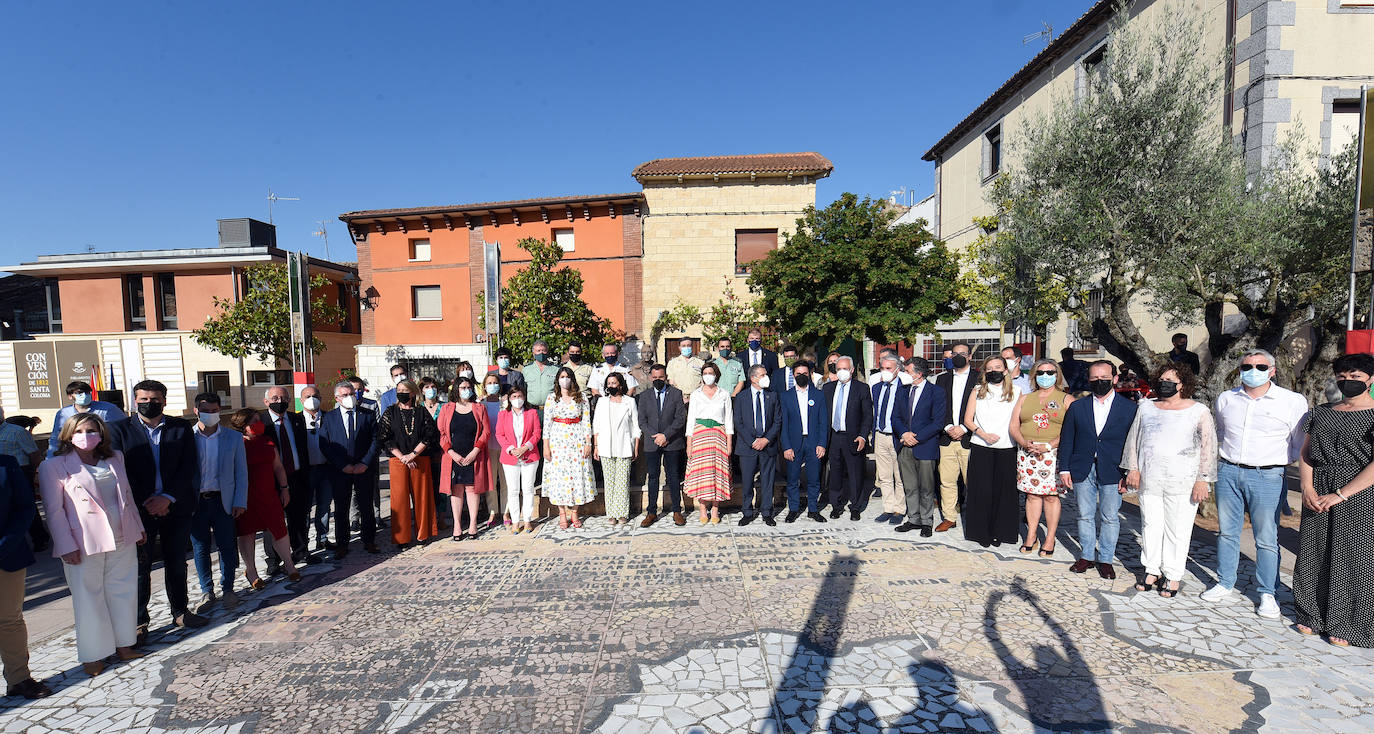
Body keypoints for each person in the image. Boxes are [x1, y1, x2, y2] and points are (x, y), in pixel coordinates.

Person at [1203, 349, 1309, 619]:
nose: (1253, 370)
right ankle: (1225, 582)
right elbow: (1223, 432)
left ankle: (1267, 593)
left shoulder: (1292, 401)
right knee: (1227, 532)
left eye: (1261, 366)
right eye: (1247, 366)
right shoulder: (1227, 398)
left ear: (1272, 370)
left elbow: (1298, 441)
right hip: (1229, 471)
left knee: (1266, 537)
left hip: (1268, 475)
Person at [38, 415, 145, 678]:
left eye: (92, 430)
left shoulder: (114, 458)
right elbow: (54, 511)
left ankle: (124, 644)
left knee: (123, 591)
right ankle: (93, 655)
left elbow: (127, 496)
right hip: (83, 541)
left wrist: (138, 527)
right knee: (89, 598)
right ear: (68, 435)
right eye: (80, 431)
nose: (86, 435)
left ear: (101, 434)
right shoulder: (53, 466)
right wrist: (65, 545)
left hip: (121, 534)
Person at [107, 379, 208, 637]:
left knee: (177, 562)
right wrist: (149, 501)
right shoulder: (119, 430)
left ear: (164, 400)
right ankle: (139, 622)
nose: (148, 404)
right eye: (143, 400)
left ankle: (180, 612)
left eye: (154, 400)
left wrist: (168, 498)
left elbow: (189, 466)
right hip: (138, 509)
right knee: (140, 567)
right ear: (134, 401)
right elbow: (120, 471)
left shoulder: (180, 427)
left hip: (176, 506)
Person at [1294, 352, 1374, 646]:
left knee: (1354, 557)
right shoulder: (1320, 412)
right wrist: (1307, 487)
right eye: (1342, 376)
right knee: (1315, 551)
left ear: (1370, 380)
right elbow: (1305, 453)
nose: (1348, 381)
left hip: (1359, 493)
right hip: (1319, 487)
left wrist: (1341, 494)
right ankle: (1311, 614)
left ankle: (1349, 624)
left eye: (1356, 377)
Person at [1122, 363, 1217, 598]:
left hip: (1183, 481)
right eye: (1162, 379)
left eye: (1170, 380)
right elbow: (1134, 440)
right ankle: (1151, 569)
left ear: (1182, 384)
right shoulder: (1146, 408)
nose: (1165, 384)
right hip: (1150, 478)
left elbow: (1208, 447)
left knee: (1178, 529)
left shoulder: (1199, 411)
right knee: (1150, 525)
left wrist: (1202, 480)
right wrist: (1132, 469)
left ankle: (1173, 574)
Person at [1059, 360, 1138, 580]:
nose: (1099, 381)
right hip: (1082, 468)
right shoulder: (1078, 406)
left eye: (1104, 378)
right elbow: (1067, 439)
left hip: (1113, 470)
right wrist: (1064, 469)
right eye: (1094, 378)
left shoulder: (1130, 408)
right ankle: (1086, 556)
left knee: (1110, 517)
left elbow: (1134, 444)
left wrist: (1129, 471)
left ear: (1114, 379)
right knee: (1084, 515)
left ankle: (1105, 559)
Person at [224, 409, 300, 588]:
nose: (259, 423)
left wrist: (284, 488)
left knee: (279, 530)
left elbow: (278, 467)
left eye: (259, 420)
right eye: (253, 421)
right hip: (245, 496)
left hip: (269, 494)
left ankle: (289, 565)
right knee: (247, 533)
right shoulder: (236, 443)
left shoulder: (268, 441)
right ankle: (252, 571)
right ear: (243, 425)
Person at [188, 394, 247, 614]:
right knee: (200, 547)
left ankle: (229, 588)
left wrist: (240, 501)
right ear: (196, 410)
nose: (211, 414)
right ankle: (207, 591)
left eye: (214, 410)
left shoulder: (232, 438)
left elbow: (241, 472)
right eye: (206, 410)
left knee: (227, 546)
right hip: (197, 502)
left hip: (224, 500)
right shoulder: (187, 437)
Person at [1009, 359, 1073, 557]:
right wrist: (1023, 442)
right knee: (1032, 496)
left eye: (1050, 372)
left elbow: (1072, 429)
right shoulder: (1025, 398)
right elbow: (1014, 425)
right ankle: (1031, 535)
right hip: (1027, 454)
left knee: (1051, 498)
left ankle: (1050, 538)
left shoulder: (1066, 399)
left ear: (1057, 374)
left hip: (1053, 455)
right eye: (1041, 372)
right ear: (1034, 376)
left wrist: (1049, 445)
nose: (1045, 376)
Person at [1, 446, 50, 698]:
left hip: (6, 555)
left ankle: (19, 678)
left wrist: (5, 544)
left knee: (9, 620)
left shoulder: (6, 464)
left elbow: (24, 507)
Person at [962, 356, 1023, 547]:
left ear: (1006, 370)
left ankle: (1000, 532)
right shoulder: (978, 391)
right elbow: (968, 419)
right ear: (984, 372)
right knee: (981, 491)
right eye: (989, 368)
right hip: (982, 446)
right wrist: (983, 434)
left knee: (1003, 493)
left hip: (1008, 447)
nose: (993, 371)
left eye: (997, 367)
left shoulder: (1018, 391)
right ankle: (981, 532)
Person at [317, 380, 380, 558]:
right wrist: (342, 465)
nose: (349, 398)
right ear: (337, 398)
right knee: (341, 508)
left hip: (363, 469)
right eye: (345, 395)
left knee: (366, 506)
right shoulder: (329, 418)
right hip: (340, 471)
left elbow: (375, 441)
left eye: (351, 394)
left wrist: (365, 463)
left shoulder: (367, 415)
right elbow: (325, 444)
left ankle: (369, 540)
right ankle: (342, 544)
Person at [378, 379, 439, 547]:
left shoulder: (421, 412)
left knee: (421, 498)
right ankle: (401, 538)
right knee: (400, 500)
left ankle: (422, 534)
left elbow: (429, 435)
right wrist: (402, 457)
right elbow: (384, 436)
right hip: (398, 461)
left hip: (419, 459)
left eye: (405, 389)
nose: (402, 392)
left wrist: (412, 455)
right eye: (399, 389)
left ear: (413, 393)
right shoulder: (390, 412)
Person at [892, 358, 946, 535]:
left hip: (925, 445)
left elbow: (937, 422)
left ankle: (926, 521)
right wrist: (904, 434)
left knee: (926, 487)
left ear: (919, 374)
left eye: (907, 372)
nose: (903, 375)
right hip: (904, 445)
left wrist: (917, 437)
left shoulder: (936, 392)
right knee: (910, 485)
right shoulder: (902, 391)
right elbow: (895, 418)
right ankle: (913, 519)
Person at [261, 386, 311, 569]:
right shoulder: (262, 423)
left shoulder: (297, 419)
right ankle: (273, 561)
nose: (279, 402)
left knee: (298, 517)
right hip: (271, 481)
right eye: (274, 398)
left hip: (296, 476)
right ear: (266, 402)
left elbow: (303, 448)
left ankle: (300, 551)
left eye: (283, 398)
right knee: (272, 522)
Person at [822, 356, 873, 520]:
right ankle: (836, 505)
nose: (841, 372)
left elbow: (867, 416)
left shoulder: (862, 389)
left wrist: (863, 436)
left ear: (851, 370)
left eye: (845, 369)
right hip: (834, 436)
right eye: (839, 369)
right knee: (835, 472)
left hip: (853, 437)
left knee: (855, 473)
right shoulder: (828, 388)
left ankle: (856, 507)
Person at [935, 342, 979, 532]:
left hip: (970, 439)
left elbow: (983, 409)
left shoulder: (980, 378)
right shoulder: (942, 379)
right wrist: (948, 427)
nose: (958, 356)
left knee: (974, 482)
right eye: (955, 354)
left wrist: (963, 428)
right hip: (947, 438)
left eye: (962, 353)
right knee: (947, 481)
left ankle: (975, 518)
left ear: (970, 357)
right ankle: (949, 517)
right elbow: (938, 407)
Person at [637, 363, 688, 527]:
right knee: (653, 477)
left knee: (673, 476)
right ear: (651, 378)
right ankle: (651, 512)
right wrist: (656, 436)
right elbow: (642, 421)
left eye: (661, 377)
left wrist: (666, 435)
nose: (658, 380)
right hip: (652, 443)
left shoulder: (676, 393)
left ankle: (676, 511)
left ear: (666, 377)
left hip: (672, 441)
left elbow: (680, 418)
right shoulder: (644, 396)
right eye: (655, 377)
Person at [544, 367, 595, 528]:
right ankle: (561, 513)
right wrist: (546, 446)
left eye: (567, 376)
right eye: (562, 376)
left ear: (572, 379)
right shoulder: (552, 398)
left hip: (577, 439)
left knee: (577, 474)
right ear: (557, 379)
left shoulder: (581, 398)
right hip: (557, 440)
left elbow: (587, 422)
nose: (564, 379)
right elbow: (547, 424)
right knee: (559, 476)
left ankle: (574, 512)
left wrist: (588, 443)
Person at [685, 362, 733, 524]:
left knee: (716, 473)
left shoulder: (724, 394)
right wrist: (689, 444)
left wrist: (730, 443)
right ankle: (703, 509)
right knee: (701, 473)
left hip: (718, 436)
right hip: (699, 436)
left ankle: (715, 509)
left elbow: (729, 420)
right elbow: (690, 420)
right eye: (705, 372)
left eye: (710, 372)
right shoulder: (696, 394)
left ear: (716, 374)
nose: (708, 375)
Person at [780, 360, 828, 522]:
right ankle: (793, 509)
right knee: (793, 478)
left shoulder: (818, 395)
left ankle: (813, 509)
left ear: (810, 375)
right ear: (794, 375)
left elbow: (824, 422)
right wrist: (786, 446)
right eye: (798, 374)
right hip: (794, 443)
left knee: (814, 478)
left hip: (813, 442)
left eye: (805, 374)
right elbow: (784, 424)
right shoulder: (786, 396)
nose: (802, 376)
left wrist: (822, 443)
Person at [734, 364, 780, 526]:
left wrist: (766, 439)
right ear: (753, 378)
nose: (766, 377)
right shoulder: (741, 397)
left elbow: (777, 420)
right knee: (747, 480)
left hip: (768, 445)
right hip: (748, 446)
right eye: (762, 375)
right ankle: (747, 511)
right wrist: (752, 441)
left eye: (766, 374)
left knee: (768, 480)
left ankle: (767, 512)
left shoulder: (772, 395)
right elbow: (738, 422)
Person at [594, 372, 640, 525]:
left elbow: (635, 427)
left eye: (614, 383)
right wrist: (596, 446)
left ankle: (622, 513)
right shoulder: (602, 402)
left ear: (620, 385)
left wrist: (636, 447)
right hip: (606, 446)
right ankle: (612, 513)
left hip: (625, 445)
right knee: (610, 481)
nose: (611, 386)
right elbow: (597, 426)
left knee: (622, 481)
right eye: (609, 383)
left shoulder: (629, 402)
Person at [496, 385, 541, 533]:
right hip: (510, 457)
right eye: (514, 397)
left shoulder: (532, 413)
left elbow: (537, 433)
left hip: (529, 455)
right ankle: (515, 521)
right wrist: (511, 449)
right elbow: (499, 435)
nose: (517, 399)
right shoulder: (503, 414)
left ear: (524, 397)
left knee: (528, 489)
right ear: (509, 399)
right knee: (513, 490)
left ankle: (527, 519)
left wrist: (526, 447)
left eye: (520, 396)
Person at [870, 354, 907, 524]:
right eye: (882, 368)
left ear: (897, 370)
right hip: (880, 435)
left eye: (888, 368)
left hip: (896, 436)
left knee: (899, 476)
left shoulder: (905, 387)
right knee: (884, 476)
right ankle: (888, 508)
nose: (884, 372)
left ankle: (899, 510)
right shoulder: (877, 387)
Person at [47, 381, 124, 457]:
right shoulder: (63, 413)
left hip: (103, 453)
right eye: (79, 393)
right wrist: (50, 456)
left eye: (87, 392)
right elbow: (56, 437)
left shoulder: (107, 409)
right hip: (73, 455)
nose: (84, 395)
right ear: (70, 396)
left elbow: (125, 426)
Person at [300, 386, 334, 553]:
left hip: (326, 469)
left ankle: (322, 538)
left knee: (325, 505)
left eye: (314, 395)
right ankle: (303, 543)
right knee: (305, 508)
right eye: (307, 396)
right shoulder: (296, 420)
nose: (311, 399)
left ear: (320, 397)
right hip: (305, 471)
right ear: (301, 400)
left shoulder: (330, 417)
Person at [419, 377, 449, 530]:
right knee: (426, 487)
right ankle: (429, 519)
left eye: (433, 386)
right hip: (422, 453)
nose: (430, 389)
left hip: (441, 452)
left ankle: (442, 517)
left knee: (441, 486)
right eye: (427, 387)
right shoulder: (418, 408)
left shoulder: (445, 407)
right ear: (422, 390)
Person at [479, 374, 508, 530]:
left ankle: (506, 511)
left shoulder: (505, 403)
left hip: (504, 448)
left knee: (505, 482)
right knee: (491, 482)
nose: (492, 385)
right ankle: (493, 512)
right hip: (487, 448)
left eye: (495, 383)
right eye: (489, 383)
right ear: (484, 386)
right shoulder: (480, 404)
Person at [520, 340, 560, 409]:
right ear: (533, 353)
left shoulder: (556, 369)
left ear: (547, 352)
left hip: (551, 408)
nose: (541, 353)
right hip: (531, 408)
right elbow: (523, 389)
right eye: (538, 351)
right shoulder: (526, 370)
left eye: (543, 350)